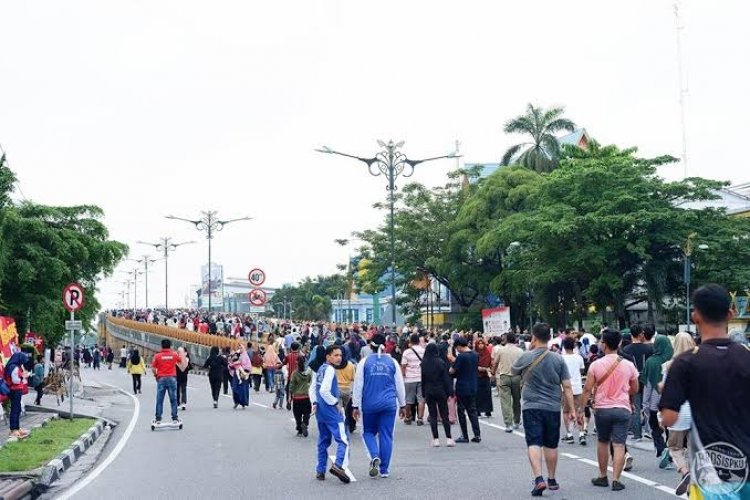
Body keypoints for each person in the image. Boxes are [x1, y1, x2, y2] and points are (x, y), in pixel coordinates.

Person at [660, 284, 750, 499]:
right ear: (731, 314)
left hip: (710, 471)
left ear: (695, 316)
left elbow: (669, 418)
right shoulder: (747, 358)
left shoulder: (685, 363)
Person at [512, 323, 577, 497]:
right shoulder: (558, 359)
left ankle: (538, 478)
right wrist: (571, 409)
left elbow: (513, 373)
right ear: (550, 338)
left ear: (533, 337)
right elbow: (567, 387)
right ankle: (552, 478)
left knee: (534, 442)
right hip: (552, 407)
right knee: (551, 443)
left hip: (531, 406)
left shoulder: (526, 357)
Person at [583, 330, 639, 491]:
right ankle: (616, 479)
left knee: (603, 441)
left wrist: (581, 409)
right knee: (619, 444)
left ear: (604, 345)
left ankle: (602, 476)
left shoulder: (595, 364)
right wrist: (623, 392)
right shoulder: (628, 365)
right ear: (619, 344)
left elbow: (587, 389)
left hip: (602, 409)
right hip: (622, 408)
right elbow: (635, 388)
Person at [352, 334, 406, 478]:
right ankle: (384, 470)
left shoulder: (364, 362)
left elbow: (358, 385)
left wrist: (355, 405)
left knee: (368, 432)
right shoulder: (393, 362)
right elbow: (399, 385)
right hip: (389, 404)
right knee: (386, 435)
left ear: (370, 346)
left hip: (369, 404)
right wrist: (403, 404)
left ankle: (374, 456)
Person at [659, 332, 695, 496]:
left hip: (677, 412)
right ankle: (694, 479)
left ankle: (684, 471)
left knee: (674, 447)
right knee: (694, 449)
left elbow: (667, 391)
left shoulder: (668, 365)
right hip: (696, 413)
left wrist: (662, 415)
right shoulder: (700, 364)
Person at [309, 345, 350, 484]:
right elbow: (324, 391)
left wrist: (314, 403)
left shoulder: (320, 369)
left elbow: (313, 388)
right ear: (328, 357)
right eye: (336, 355)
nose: (339, 358)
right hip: (331, 411)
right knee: (343, 440)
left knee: (323, 441)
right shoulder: (331, 370)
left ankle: (320, 471)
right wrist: (335, 402)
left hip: (321, 411)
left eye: (340, 355)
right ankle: (338, 465)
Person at [642, 334, 673, 467]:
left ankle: (661, 449)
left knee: (655, 427)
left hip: (655, 402)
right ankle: (670, 450)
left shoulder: (650, 361)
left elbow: (648, 384)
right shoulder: (673, 360)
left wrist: (645, 403)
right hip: (671, 402)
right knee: (670, 428)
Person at [622, 324, 653, 441]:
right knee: (648, 406)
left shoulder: (626, 350)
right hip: (646, 380)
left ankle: (636, 433)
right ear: (640, 334)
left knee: (635, 406)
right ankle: (649, 430)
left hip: (632, 381)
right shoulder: (649, 349)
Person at [420, 342, 454, 447]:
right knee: (444, 415)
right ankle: (448, 438)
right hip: (440, 390)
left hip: (429, 390)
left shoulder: (424, 363)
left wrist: (423, 393)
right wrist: (449, 392)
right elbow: (445, 379)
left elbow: (423, 380)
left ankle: (436, 439)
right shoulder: (440, 362)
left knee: (433, 415)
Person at [449, 337, 481, 444]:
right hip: (473, 385)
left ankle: (465, 435)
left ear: (458, 346)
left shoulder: (461, 357)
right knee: (472, 411)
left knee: (461, 411)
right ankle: (477, 434)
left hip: (462, 386)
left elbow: (452, 371)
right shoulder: (475, 355)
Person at [492, 332, 523, 432]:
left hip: (504, 376)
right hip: (517, 377)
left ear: (506, 339)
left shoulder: (501, 350)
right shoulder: (520, 351)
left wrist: (493, 373)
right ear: (515, 340)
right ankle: (517, 421)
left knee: (505, 401)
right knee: (517, 400)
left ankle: (508, 424)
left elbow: (495, 363)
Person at [151, 339, 187, 425]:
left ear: (161, 346)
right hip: (172, 378)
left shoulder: (157, 356)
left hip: (161, 378)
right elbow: (181, 362)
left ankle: (158, 419)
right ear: (170, 346)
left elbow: (153, 368)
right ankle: (175, 418)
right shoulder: (174, 355)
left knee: (160, 399)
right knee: (173, 399)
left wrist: (156, 376)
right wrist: (181, 352)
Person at [400, 333, 425, 426]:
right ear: (418, 341)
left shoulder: (406, 352)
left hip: (409, 378)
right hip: (421, 377)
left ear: (410, 341)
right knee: (421, 399)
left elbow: (403, 365)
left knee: (408, 399)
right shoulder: (423, 350)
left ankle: (408, 417)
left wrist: (403, 374)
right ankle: (420, 418)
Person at [5, 352, 30, 439]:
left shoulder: (16, 366)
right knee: (15, 410)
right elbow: (15, 380)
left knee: (17, 409)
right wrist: (23, 378)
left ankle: (17, 428)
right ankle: (13, 430)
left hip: (16, 390)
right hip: (14, 390)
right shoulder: (14, 367)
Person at [289, 355, 312, 437]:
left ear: (297, 363)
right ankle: (305, 423)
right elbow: (310, 381)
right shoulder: (308, 373)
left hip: (297, 397)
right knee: (307, 413)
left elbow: (291, 386)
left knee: (297, 415)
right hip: (306, 396)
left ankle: (299, 430)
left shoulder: (294, 373)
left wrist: (289, 398)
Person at [475, 338, 494, 418]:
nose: (481, 345)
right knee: (477, 394)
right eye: (479, 344)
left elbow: (491, 364)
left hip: (486, 376)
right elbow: (472, 364)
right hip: (477, 376)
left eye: (482, 343)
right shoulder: (474, 354)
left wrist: (490, 369)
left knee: (487, 393)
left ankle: (488, 411)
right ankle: (478, 411)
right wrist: (479, 368)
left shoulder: (487, 353)